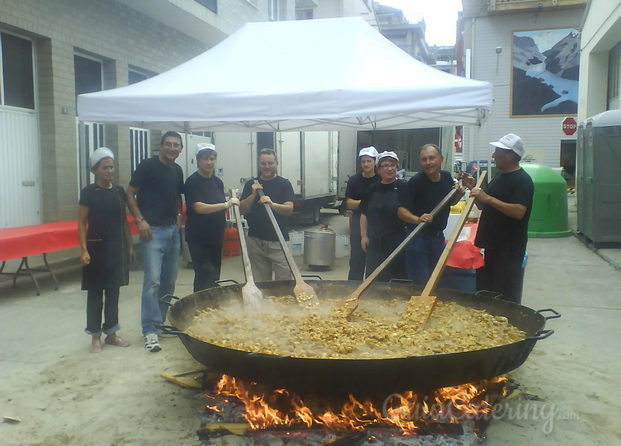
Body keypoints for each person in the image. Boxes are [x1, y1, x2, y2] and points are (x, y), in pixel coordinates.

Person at [127, 131, 184, 352]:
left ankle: (159, 323)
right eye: (168, 144)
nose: (172, 148)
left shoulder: (177, 170)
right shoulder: (147, 167)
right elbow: (129, 193)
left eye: (176, 145)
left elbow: (177, 196)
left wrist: (179, 215)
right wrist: (140, 220)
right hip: (152, 232)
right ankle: (149, 329)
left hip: (172, 231)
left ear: (180, 149)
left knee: (169, 281)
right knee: (152, 282)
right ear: (161, 146)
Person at [464, 133, 534, 303]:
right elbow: (485, 206)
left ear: (509, 156)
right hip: (492, 246)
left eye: (497, 152)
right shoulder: (500, 176)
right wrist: (474, 189)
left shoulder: (522, 180)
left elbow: (519, 211)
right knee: (491, 290)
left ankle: (506, 324)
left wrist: (487, 198)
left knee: (505, 293)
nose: (493, 155)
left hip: (508, 250)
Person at [78, 147, 132, 353]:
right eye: (105, 168)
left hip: (116, 249)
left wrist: (129, 246)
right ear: (95, 170)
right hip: (96, 248)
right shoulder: (89, 193)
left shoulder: (119, 192)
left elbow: (123, 221)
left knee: (113, 292)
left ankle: (111, 333)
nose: (110, 171)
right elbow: (82, 223)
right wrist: (84, 250)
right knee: (95, 294)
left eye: (111, 167)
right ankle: (94, 336)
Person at [398, 144, 463, 285]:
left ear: (441, 159)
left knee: (437, 279)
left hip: (438, 237)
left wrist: (459, 194)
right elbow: (401, 211)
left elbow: (450, 203)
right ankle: (418, 306)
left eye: (431, 158)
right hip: (417, 238)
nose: (428, 163)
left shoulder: (446, 177)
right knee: (420, 281)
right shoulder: (416, 182)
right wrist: (417, 219)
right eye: (424, 159)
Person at [184, 143, 239, 292]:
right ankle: (199, 308)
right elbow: (199, 207)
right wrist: (226, 205)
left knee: (215, 275)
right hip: (199, 238)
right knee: (204, 275)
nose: (209, 162)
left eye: (212, 158)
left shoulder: (217, 182)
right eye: (205, 159)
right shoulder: (192, 182)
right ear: (198, 160)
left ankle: (212, 306)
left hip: (216, 236)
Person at [240, 148, 295, 282]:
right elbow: (241, 209)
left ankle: (281, 303)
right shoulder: (251, 184)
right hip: (256, 241)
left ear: (277, 163)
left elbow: (289, 209)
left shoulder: (284, 184)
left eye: (270, 163)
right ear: (259, 164)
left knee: (283, 283)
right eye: (263, 163)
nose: (267, 167)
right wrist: (253, 194)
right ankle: (264, 304)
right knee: (261, 284)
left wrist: (272, 204)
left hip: (279, 241)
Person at [360, 151, 408, 281]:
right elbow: (364, 214)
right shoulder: (372, 189)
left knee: (398, 278)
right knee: (374, 278)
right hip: (375, 242)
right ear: (379, 169)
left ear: (397, 167)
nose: (389, 168)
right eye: (385, 165)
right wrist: (364, 236)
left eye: (392, 165)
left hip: (397, 241)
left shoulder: (404, 187)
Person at [345, 146, 380, 280]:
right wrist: (367, 203)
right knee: (356, 262)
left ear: (375, 162)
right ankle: (352, 291)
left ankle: (372, 292)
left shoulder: (380, 180)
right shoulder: (354, 180)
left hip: (376, 226)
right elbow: (348, 203)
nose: (366, 164)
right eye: (363, 161)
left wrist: (360, 203)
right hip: (357, 226)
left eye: (369, 161)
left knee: (374, 262)